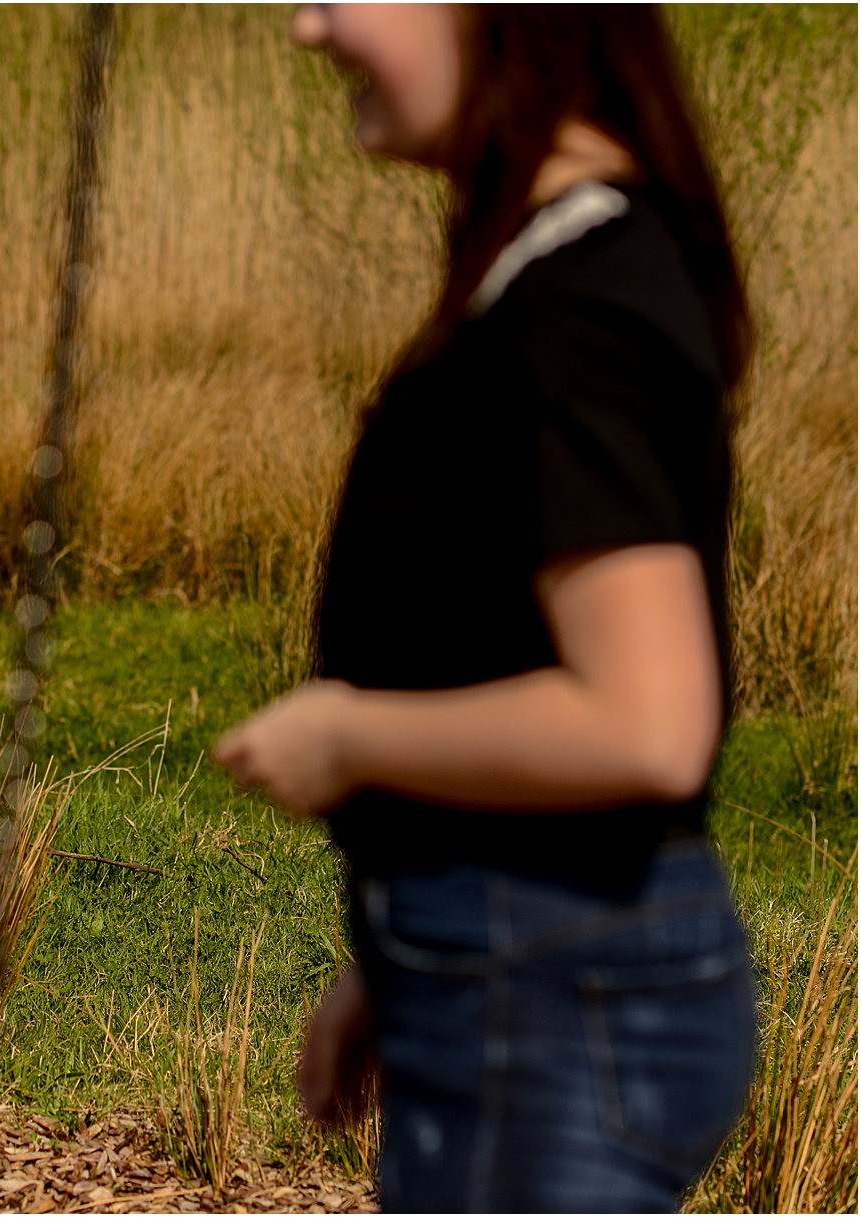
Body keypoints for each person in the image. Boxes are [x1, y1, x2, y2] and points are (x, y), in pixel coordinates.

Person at [213, 6, 755, 1211]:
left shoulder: (582, 303)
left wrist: (344, 734)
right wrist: (400, 963)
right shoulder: (557, 263)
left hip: (557, 992)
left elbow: (643, 722)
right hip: (521, 971)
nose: (309, 28)